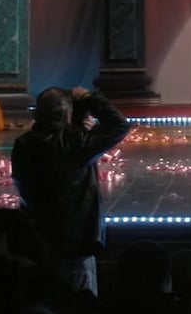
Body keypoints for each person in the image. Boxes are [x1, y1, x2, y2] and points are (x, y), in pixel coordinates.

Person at [11, 85, 130, 297]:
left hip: (38, 238)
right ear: (67, 114)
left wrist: (76, 128)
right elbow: (119, 125)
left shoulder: (22, 145)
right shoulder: (75, 144)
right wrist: (89, 97)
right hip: (74, 244)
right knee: (79, 305)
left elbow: (53, 149)